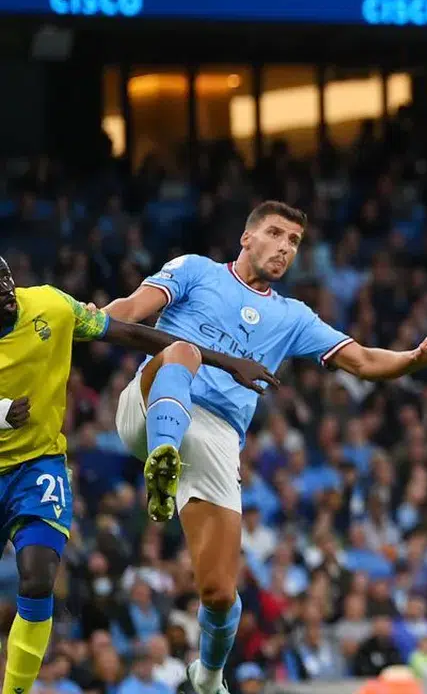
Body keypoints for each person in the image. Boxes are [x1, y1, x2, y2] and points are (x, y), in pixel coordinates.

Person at [103, 201, 427, 694]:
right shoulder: (195, 270)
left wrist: (416, 358)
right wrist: (86, 321)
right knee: (182, 351)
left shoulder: (293, 316)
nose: (284, 247)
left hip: (218, 437)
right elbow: (127, 312)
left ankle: (207, 677)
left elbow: (362, 360)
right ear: (246, 238)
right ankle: (162, 460)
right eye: (274, 234)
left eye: (293, 241)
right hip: (153, 402)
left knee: (219, 593)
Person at [0, 256, 272, 694]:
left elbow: (130, 333)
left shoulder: (49, 306)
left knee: (36, 577)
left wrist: (219, 361)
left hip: (37, 466)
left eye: (6, 279)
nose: (5, 290)